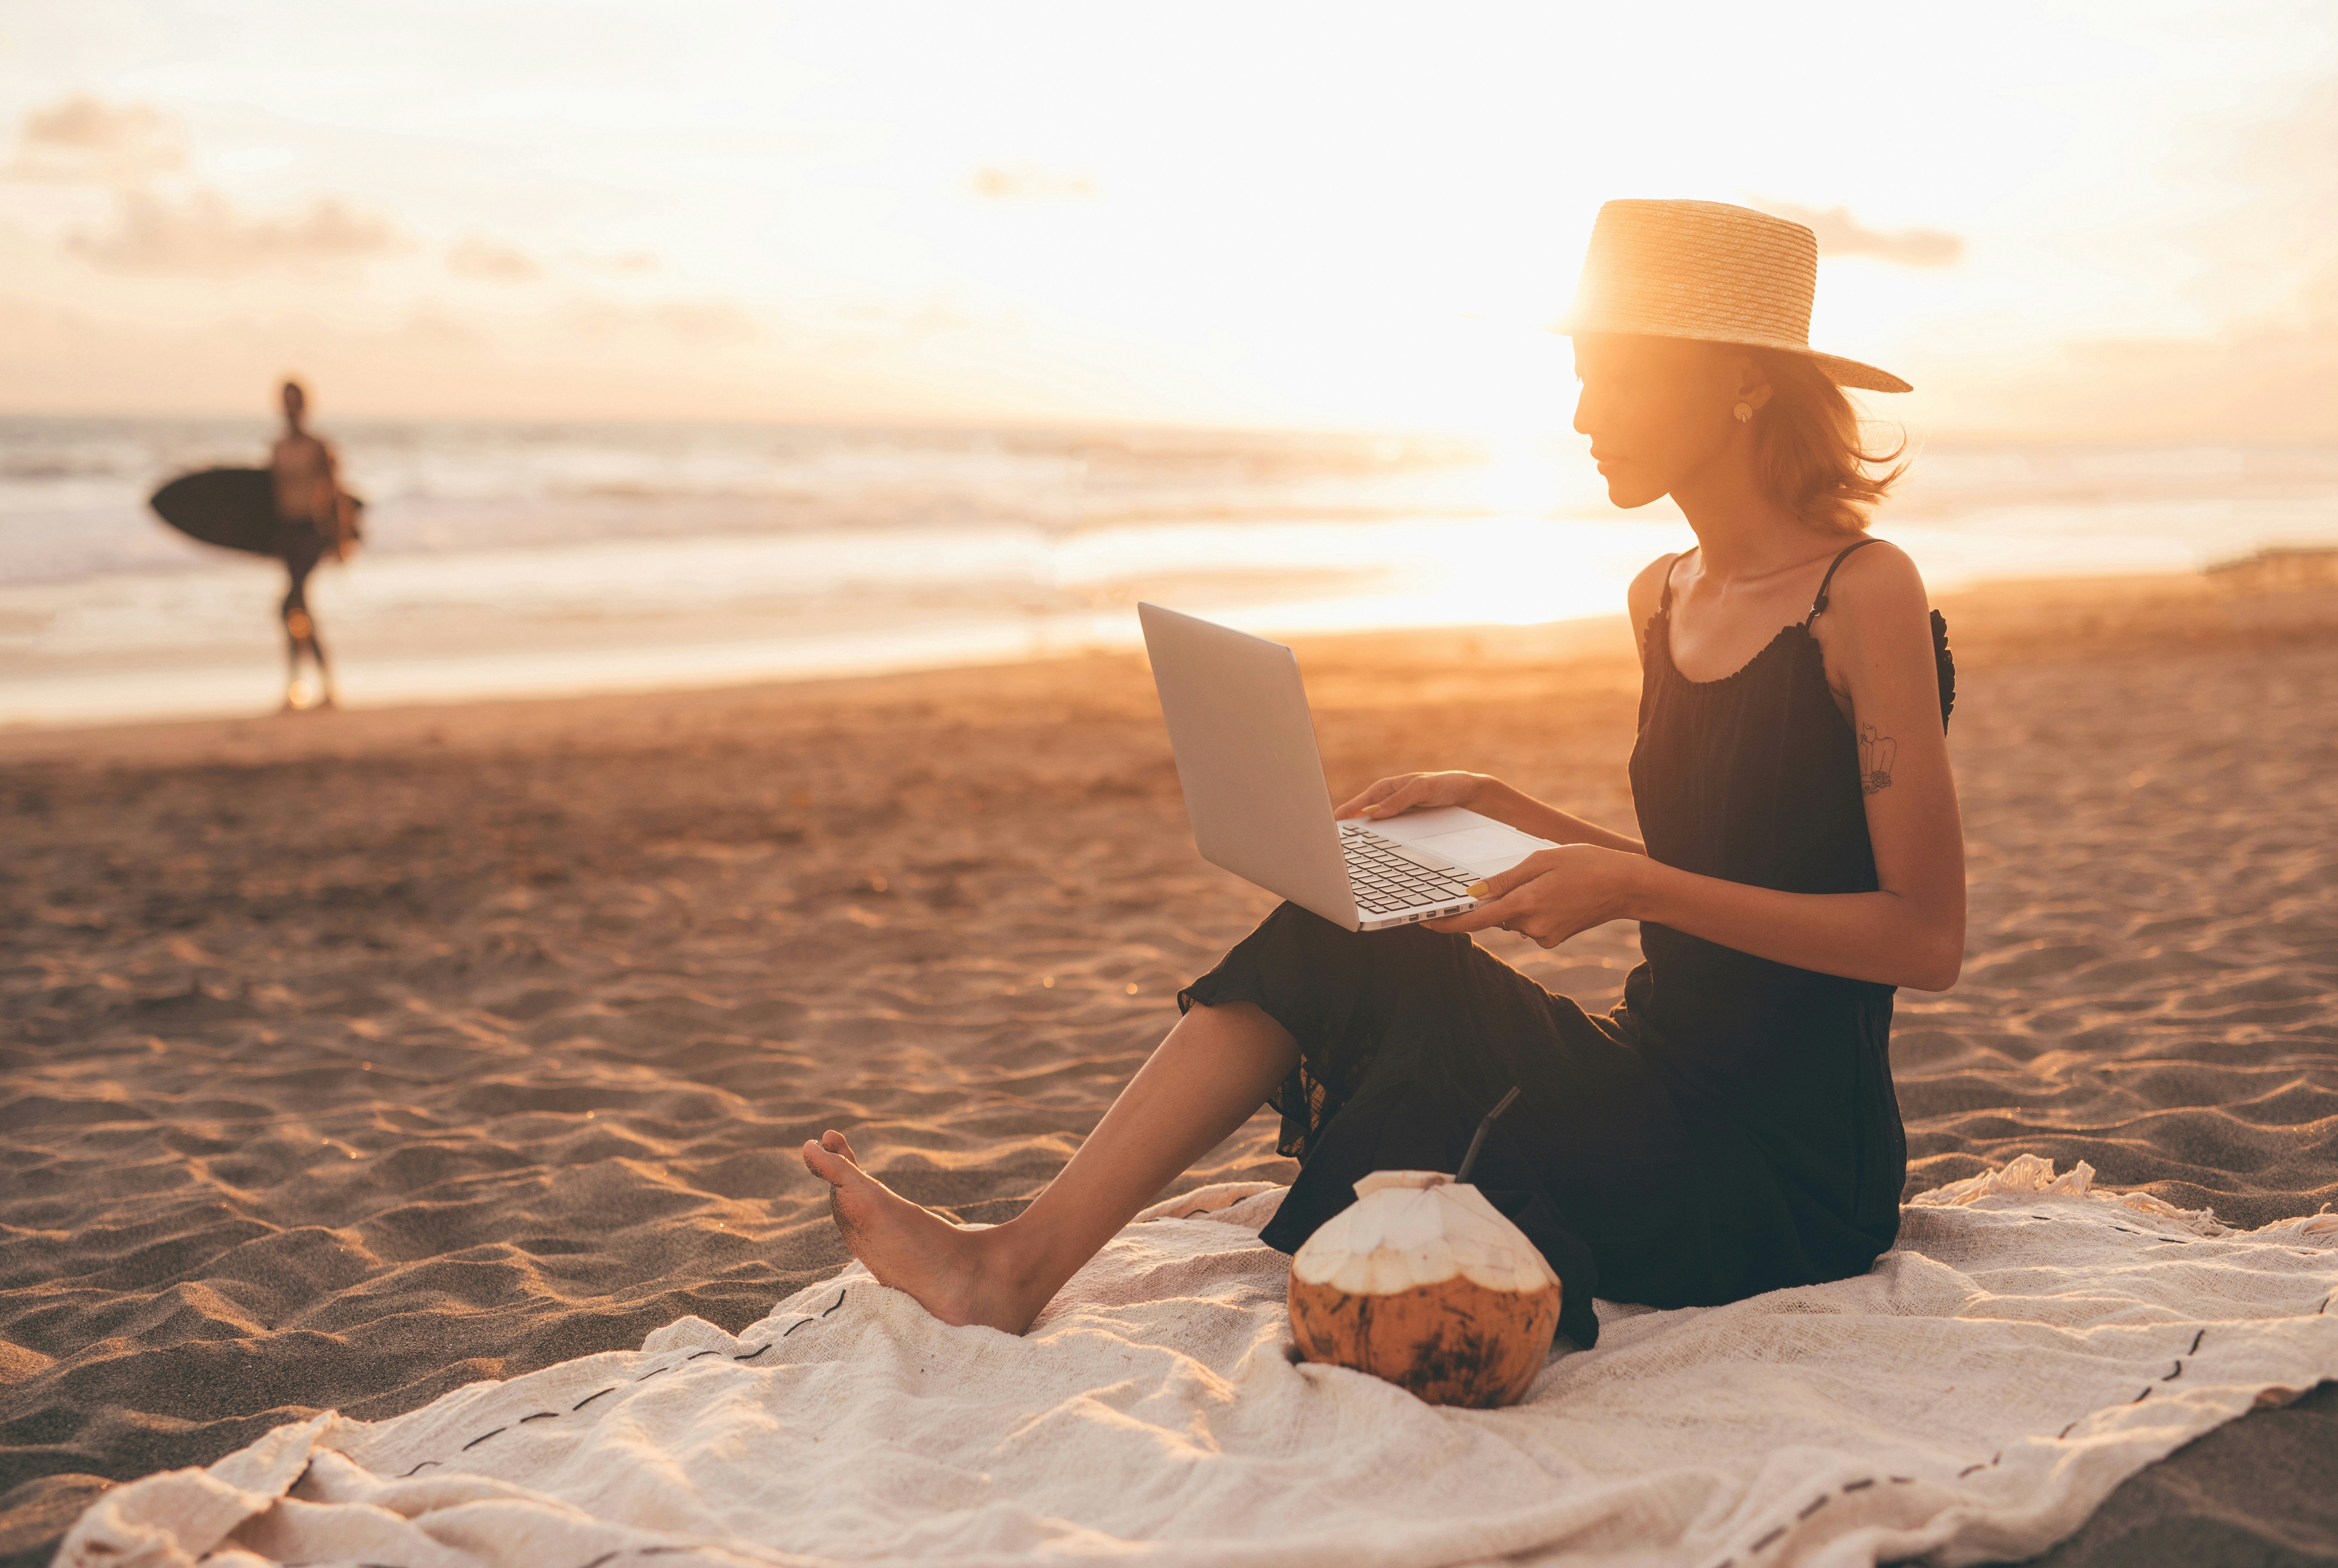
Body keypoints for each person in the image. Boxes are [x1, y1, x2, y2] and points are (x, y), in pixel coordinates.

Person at [801, 200, 1965, 1352]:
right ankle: (1011, 1262)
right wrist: (1499, 808)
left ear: (1743, 381)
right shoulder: (1661, 595)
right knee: (1338, 934)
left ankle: (1008, 1265)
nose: (1581, 415)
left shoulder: (1862, 592)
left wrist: (1626, 887)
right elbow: (1722, 869)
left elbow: (1922, 938)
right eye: (1580, 375)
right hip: (1652, 1072)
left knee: (1419, 1050)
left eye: (1616, 377)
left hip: (1785, 1172)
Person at [269, 378, 355, 711]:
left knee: (291, 605)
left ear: (304, 406)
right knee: (298, 609)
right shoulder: (277, 448)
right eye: (286, 402)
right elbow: (268, 499)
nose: (290, 409)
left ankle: (307, 686)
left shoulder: (318, 447)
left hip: (311, 534)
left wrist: (342, 538)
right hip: (287, 535)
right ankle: (312, 687)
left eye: (295, 402)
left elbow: (337, 494)